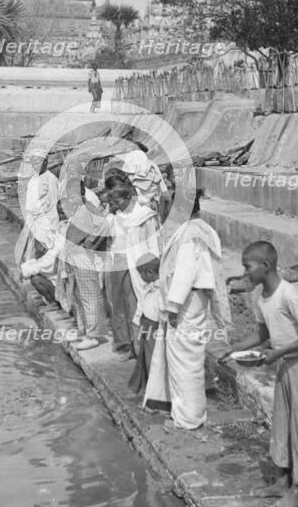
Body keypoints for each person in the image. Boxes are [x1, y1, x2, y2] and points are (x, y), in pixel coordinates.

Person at [225, 241, 298, 507]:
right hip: (285, 367)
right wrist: (234, 349)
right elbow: (263, 333)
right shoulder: (260, 297)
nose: (245, 272)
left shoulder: (289, 294)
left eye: (248, 266)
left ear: (265, 266)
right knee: (282, 425)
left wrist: (278, 353)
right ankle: (281, 482)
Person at [143, 189, 231, 430]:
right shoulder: (203, 229)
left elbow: (184, 273)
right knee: (187, 358)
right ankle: (185, 413)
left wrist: (172, 307)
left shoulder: (189, 234)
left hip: (185, 303)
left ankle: (188, 419)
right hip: (195, 300)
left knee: (184, 361)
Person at [105, 182, 160, 361]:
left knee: (134, 303)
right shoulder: (116, 217)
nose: (115, 205)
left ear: (128, 198)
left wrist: (153, 265)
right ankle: (125, 344)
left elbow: (153, 242)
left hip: (138, 264)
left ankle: (140, 348)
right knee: (117, 303)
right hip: (117, 262)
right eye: (113, 203)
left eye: (118, 201)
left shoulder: (145, 216)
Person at [65, 180, 110, 350]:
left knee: (90, 296)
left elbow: (104, 226)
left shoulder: (88, 207)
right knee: (79, 295)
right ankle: (85, 331)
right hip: (75, 257)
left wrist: (89, 244)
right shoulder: (79, 209)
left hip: (83, 256)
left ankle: (94, 335)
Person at [14, 149, 59, 267]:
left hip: (45, 222)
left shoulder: (51, 179)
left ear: (45, 162)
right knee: (29, 251)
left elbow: (53, 203)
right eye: (33, 164)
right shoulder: (33, 179)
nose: (35, 166)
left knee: (43, 251)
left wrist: (50, 225)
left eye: (38, 163)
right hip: (32, 220)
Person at [20, 202, 67, 311]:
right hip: (54, 276)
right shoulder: (56, 232)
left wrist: (26, 270)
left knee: (35, 279)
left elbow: (48, 263)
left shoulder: (60, 236)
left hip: (61, 281)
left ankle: (54, 303)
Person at [128, 253, 162, 396]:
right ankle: (148, 386)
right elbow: (141, 307)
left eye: (140, 274)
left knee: (154, 360)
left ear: (149, 273)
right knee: (145, 359)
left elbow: (161, 314)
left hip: (155, 329)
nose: (140, 278)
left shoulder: (161, 291)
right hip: (145, 325)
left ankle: (156, 390)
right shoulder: (148, 288)